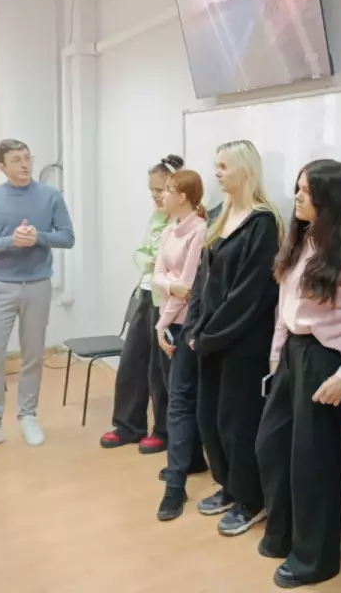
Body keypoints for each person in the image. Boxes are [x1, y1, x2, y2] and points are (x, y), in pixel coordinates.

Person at [255, 159, 341, 588]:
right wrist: (275, 357)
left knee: (314, 462)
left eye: (306, 191)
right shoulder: (300, 241)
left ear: (328, 198)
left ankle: (315, 559)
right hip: (292, 355)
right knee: (271, 445)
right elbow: (285, 307)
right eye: (297, 188)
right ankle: (283, 534)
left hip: (325, 360)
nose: (297, 197)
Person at [186, 140, 283, 537]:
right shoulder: (218, 216)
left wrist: (210, 335)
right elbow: (202, 279)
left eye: (224, 166)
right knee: (210, 419)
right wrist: (195, 328)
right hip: (210, 339)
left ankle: (251, 499)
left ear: (246, 170)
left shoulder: (263, 223)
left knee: (238, 423)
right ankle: (228, 485)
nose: (217, 173)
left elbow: (250, 295)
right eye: (217, 165)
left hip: (242, 344)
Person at [0, 139, 75, 458]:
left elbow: (67, 237)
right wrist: (11, 241)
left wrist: (39, 237)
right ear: (2, 166)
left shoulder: (50, 196)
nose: (24, 164)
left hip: (38, 285)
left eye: (27, 158)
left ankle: (28, 415)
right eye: (16, 160)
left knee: (33, 355)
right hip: (1, 286)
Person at [99, 155, 184, 453]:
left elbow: (175, 265)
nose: (155, 196)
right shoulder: (157, 217)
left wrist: (156, 262)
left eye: (160, 190)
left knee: (160, 370)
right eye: (151, 190)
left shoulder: (187, 222)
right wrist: (149, 260)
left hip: (168, 302)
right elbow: (140, 252)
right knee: (132, 362)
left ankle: (163, 432)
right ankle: (128, 426)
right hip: (145, 293)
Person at [152, 169, 210, 521]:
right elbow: (157, 274)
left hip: (185, 324)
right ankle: (191, 460)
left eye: (168, 190)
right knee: (177, 395)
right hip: (168, 320)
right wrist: (169, 286)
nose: (162, 195)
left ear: (184, 196)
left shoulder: (199, 231)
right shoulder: (169, 230)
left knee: (179, 402)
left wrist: (163, 321)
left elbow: (187, 288)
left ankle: (176, 484)